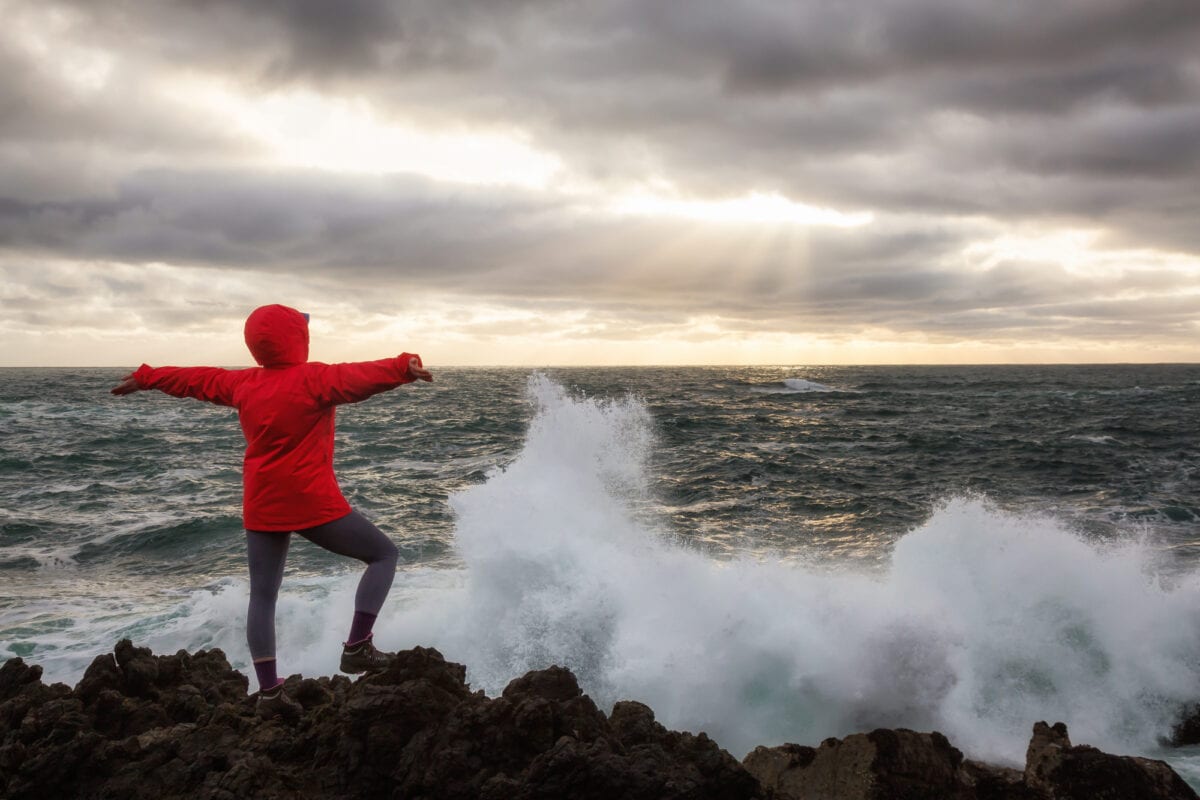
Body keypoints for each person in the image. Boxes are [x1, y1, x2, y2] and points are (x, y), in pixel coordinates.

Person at [111, 303, 433, 718]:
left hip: (262, 502)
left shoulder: (244, 383)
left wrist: (148, 378)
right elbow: (357, 376)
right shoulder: (314, 378)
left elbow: (197, 379)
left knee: (262, 596)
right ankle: (357, 647)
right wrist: (402, 367)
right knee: (383, 555)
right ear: (299, 339)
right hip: (311, 501)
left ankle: (269, 693)